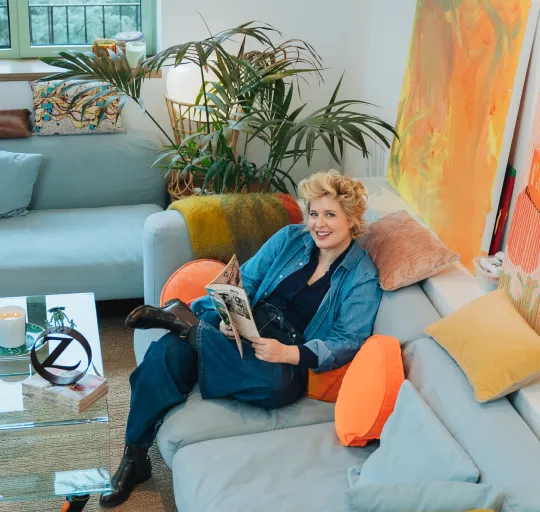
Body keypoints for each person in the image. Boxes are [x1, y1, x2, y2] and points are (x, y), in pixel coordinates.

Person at [99, 169, 383, 507]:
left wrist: (289, 354)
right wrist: (227, 319)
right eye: (314, 213)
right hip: (244, 327)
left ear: (351, 219)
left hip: (282, 353)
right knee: (166, 354)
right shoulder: (290, 239)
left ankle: (188, 326)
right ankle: (134, 457)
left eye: (330, 215)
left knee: (275, 385)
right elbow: (245, 281)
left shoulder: (362, 276)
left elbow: (348, 340)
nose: (318, 224)